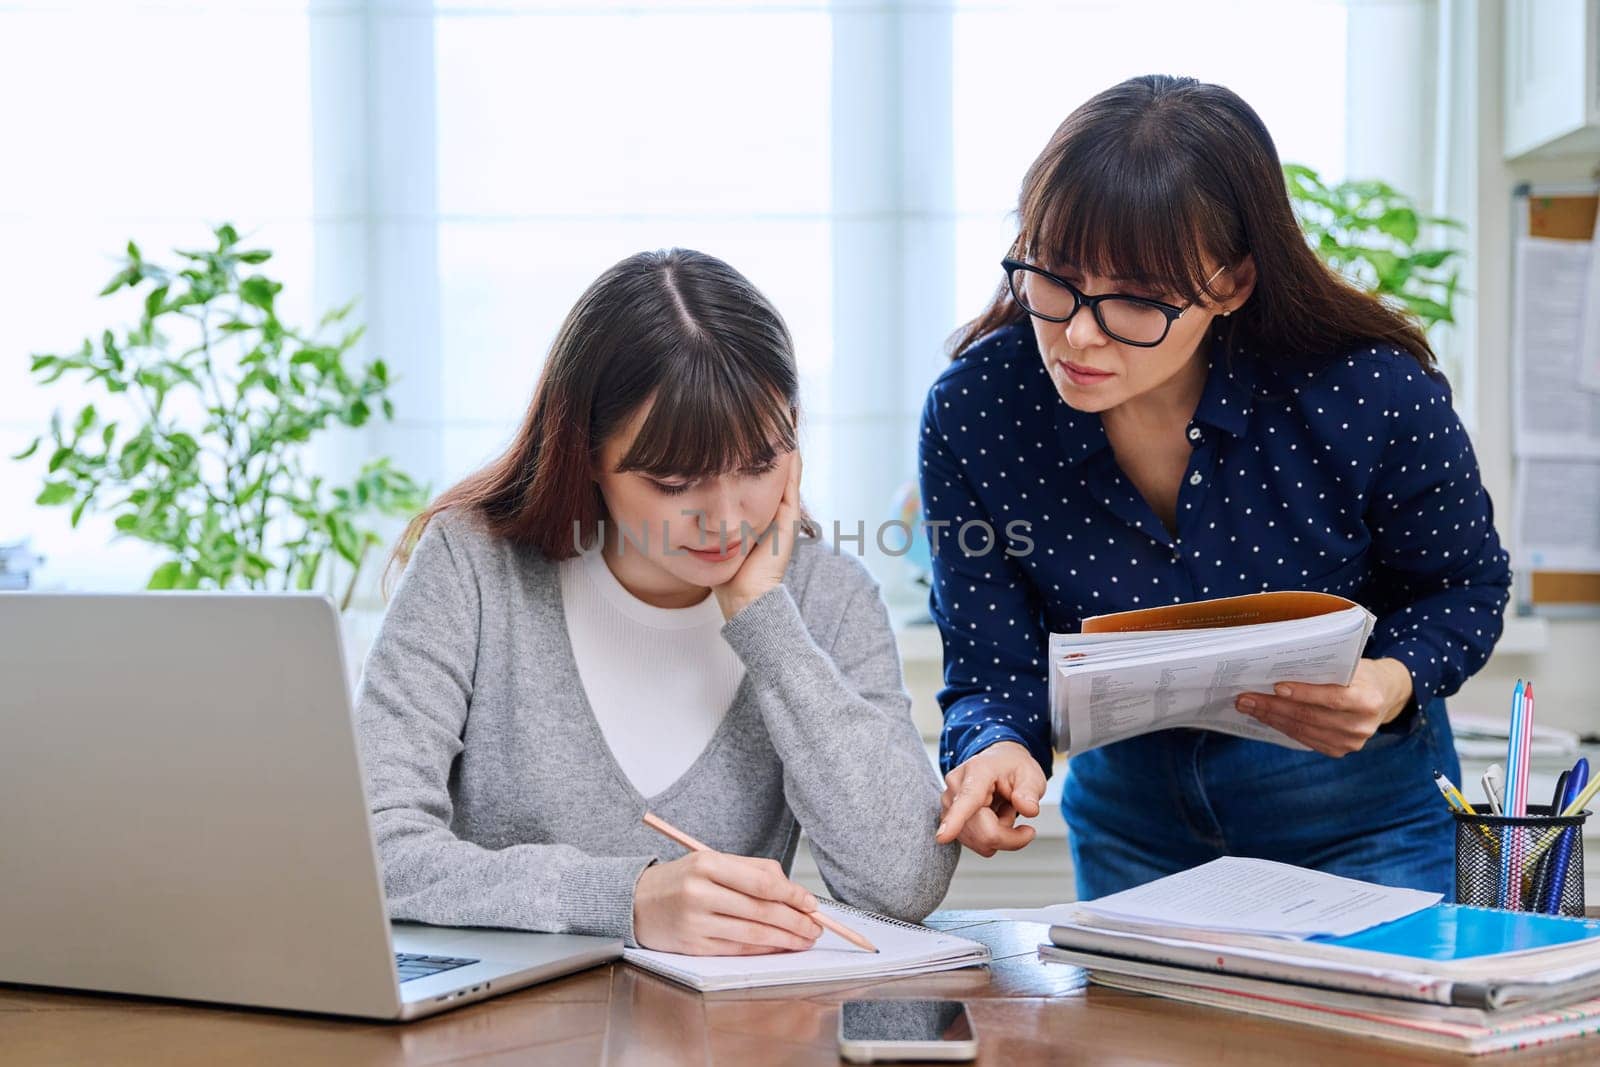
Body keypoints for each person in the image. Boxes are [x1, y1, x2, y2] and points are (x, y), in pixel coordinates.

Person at [922, 75, 1511, 898]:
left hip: (1366, 817)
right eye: (1053, 277)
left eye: (1135, 299)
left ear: (1231, 283)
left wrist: (1386, 681)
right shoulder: (979, 409)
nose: (1078, 334)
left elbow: (1464, 586)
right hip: (1132, 823)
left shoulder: (1367, 393)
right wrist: (994, 748)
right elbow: (992, 662)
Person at [357, 248, 956, 954]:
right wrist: (626, 900)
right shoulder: (473, 565)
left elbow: (906, 880)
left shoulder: (829, 596)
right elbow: (371, 843)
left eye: (761, 464)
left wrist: (764, 619)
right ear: (583, 451)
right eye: (675, 483)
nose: (728, 517)